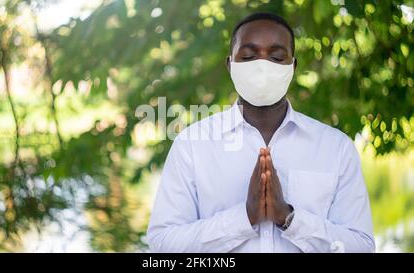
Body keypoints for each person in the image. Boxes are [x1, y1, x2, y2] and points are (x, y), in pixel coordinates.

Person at [147, 12, 375, 253]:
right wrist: (244, 217)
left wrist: (289, 218)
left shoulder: (335, 148)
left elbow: (361, 246)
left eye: (276, 57)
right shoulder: (192, 145)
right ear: (230, 65)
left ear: (293, 66)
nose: (262, 67)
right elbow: (163, 245)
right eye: (248, 56)